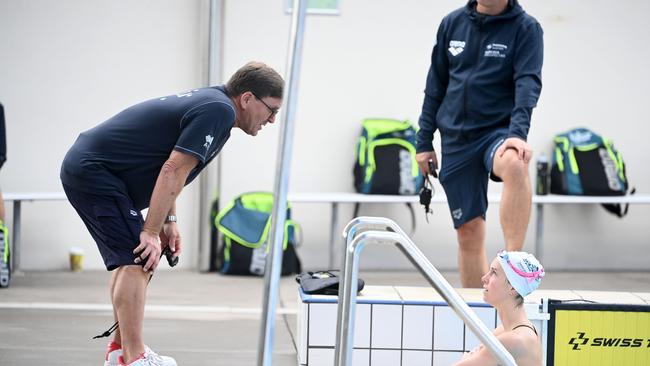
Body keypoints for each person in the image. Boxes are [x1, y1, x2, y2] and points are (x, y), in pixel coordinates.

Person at [60, 61, 284, 366]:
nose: (272, 120)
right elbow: (172, 168)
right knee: (139, 258)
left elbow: (171, 168)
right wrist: (150, 232)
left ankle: (118, 351)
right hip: (96, 172)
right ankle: (135, 357)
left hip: (93, 169)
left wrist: (168, 221)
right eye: (271, 110)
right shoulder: (219, 111)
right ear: (247, 99)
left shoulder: (215, 104)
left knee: (135, 258)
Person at [415, 0, 543, 287]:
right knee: (469, 234)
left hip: (497, 133)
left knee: (515, 161)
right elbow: (435, 85)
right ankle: (476, 318)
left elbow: (528, 84)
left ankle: (512, 267)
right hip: (457, 138)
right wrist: (424, 140)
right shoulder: (452, 23)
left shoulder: (526, 29)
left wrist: (517, 134)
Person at [455, 250, 545, 366]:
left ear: (513, 287)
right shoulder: (507, 330)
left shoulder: (514, 340)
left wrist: (466, 358)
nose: (484, 278)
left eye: (494, 273)